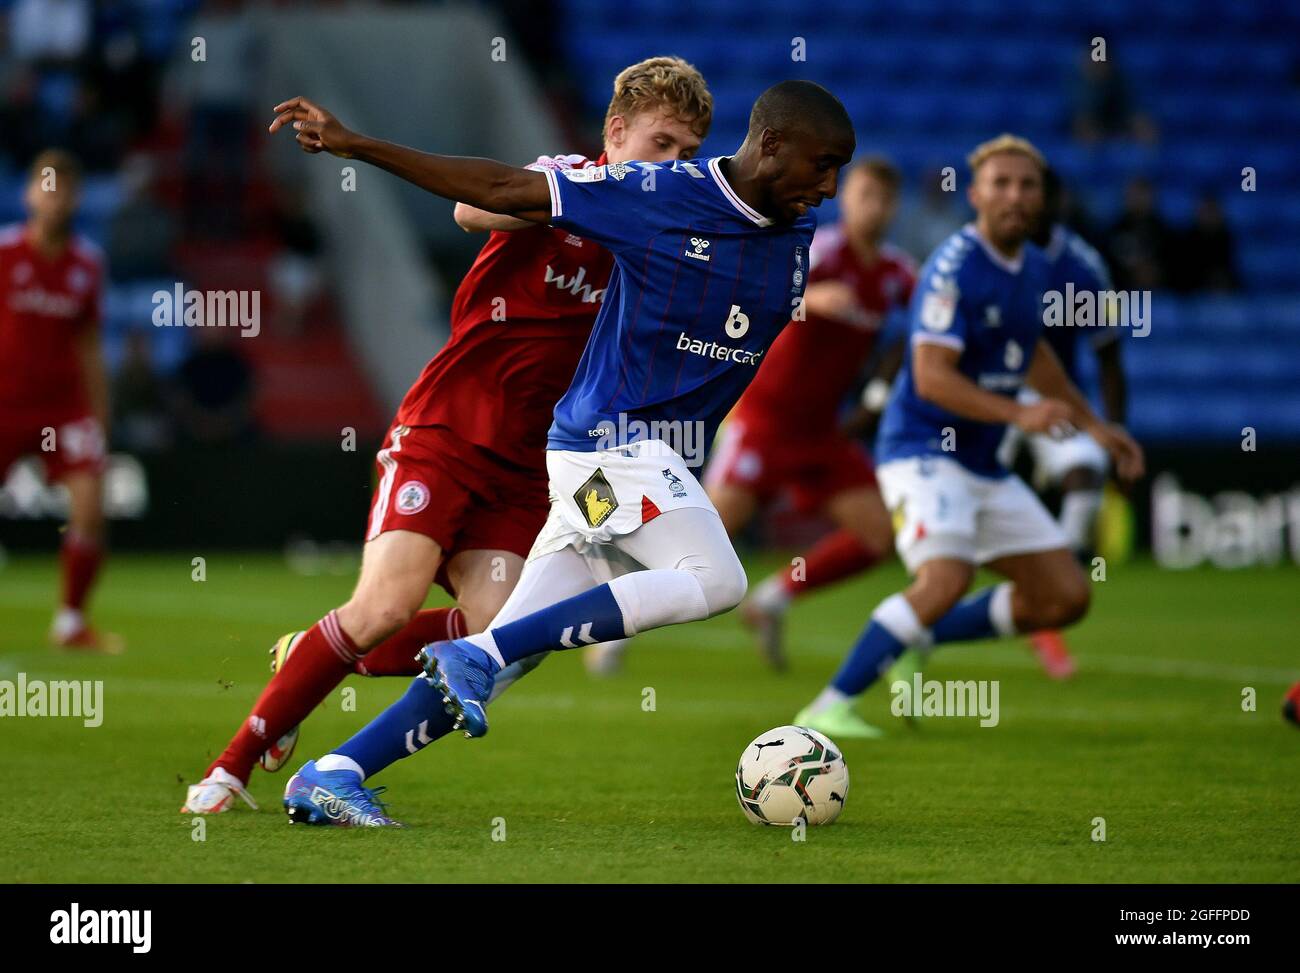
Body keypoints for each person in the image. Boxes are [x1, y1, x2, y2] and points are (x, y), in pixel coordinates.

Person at [273, 79, 857, 827]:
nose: (829, 186)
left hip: (621, 473)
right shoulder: (656, 195)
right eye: (822, 164)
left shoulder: (796, 238)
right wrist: (357, 144)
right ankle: (476, 656)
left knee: (507, 654)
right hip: (610, 443)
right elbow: (499, 188)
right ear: (772, 145)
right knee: (715, 578)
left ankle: (335, 770)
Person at [181, 56, 711, 815]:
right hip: (449, 427)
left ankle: (312, 656)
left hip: (534, 463)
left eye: (688, 155)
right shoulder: (562, 179)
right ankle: (227, 771)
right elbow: (474, 211)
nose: (673, 166)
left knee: (502, 630)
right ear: (617, 133)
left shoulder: (662, 240)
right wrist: (584, 203)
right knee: (385, 607)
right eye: (662, 145)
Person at [793, 135, 1144, 740]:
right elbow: (930, 378)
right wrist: (1019, 417)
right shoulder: (953, 268)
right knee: (946, 578)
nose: (1014, 195)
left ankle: (917, 634)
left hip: (982, 462)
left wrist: (1095, 426)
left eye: (1026, 185)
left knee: (1064, 597)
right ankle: (826, 707)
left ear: (1042, 198)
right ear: (976, 194)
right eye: (1001, 184)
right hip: (923, 451)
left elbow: (1032, 355)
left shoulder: (1033, 267)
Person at [694, 156, 916, 672]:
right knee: (702, 537)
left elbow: (930, 314)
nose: (875, 208)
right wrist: (812, 298)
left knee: (877, 535)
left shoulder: (895, 273)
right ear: (849, 198)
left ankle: (774, 597)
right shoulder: (823, 251)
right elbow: (756, 291)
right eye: (865, 196)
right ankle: (613, 627)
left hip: (821, 432)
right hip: (765, 421)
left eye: (884, 199)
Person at [992, 167, 1128, 677]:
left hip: (1054, 396)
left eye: (1032, 192)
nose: (1022, 202)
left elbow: (1110, 355)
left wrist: (1115, 432)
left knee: (1084, 472)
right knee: (962, 504)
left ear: (1056, 201)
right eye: (1012, 189)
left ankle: (1049, 600)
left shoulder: (1081, 266)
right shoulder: (985, 253)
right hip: (987, 393)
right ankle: (919, 622)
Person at [0, 148, 119, 653]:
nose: (55, 197)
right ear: (28, 193)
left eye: (65, 188)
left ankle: (71, 622)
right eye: (47, 186)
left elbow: (89, 343)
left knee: (90, 505)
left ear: (75, 198)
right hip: (5, 401)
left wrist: (101, 410)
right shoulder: (4, 255)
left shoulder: (87, 265)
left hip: (64, 406)